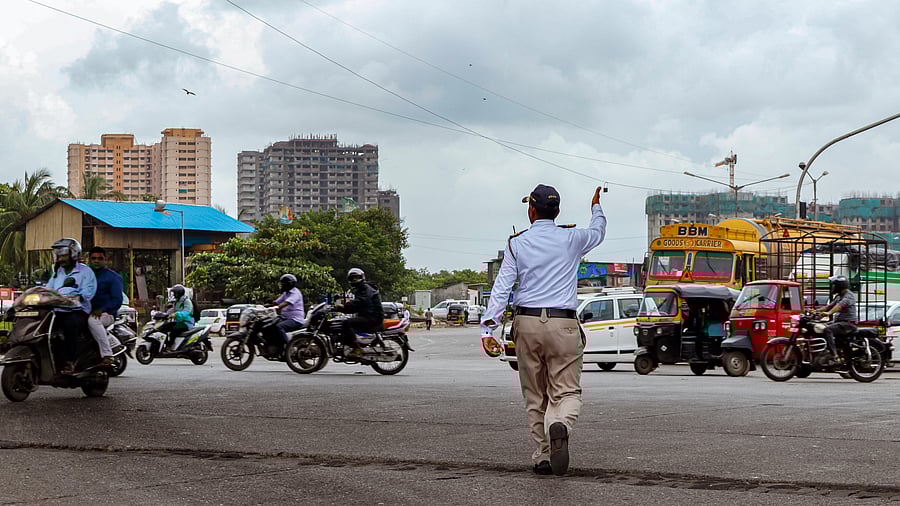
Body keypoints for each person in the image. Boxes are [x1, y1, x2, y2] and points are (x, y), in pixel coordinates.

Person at [481, 184, 606, 476]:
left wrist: (488, 329)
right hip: (563, 324)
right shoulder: (573, 238)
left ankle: (543, 455)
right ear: (558, 211)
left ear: (531, 211)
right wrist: (596, 207)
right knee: (567, 391)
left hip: (526, 324)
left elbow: (502, 288)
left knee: (535, 395)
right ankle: (560, 424)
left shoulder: (517, 243)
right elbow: (598, 231)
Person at [45, 238, 97, 374]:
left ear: (73, 254)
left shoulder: (86, 272)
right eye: (58, 255)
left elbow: (88, 292)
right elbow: (48, 289)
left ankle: (69, 362)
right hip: (57, 310)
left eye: (63, 254)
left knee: (69, 325)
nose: (60, 258)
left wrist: (76, 297)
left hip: (77, 311)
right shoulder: (58, 273)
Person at [85, 246, 123, 367]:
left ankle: (107, 354)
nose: (96, 261)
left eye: (99, 258)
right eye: (93, 258)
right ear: (89, 260)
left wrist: (102, 309)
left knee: (93, 321)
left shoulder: (113, 277)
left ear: (105, 260)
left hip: (107, 314)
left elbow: (117, 300)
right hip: (85, 312)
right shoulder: (84, 276)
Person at [335, 268, 384, 355]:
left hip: (373, 317)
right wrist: (341, 308)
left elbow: (360, 302)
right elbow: (356, 307)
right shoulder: (360, 289)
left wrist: (344, 306)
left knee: (346, 323)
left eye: (356, 278)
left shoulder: (366, 289)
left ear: (362, 277)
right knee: (343, 322)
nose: (355, 280)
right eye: (352, 278)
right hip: (369, 315)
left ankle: (356, 348)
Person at [819, 275, 856, 361]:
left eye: (834, 285)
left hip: (848, 323)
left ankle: (834, 354)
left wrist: (829, 313)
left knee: (828, 330)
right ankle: (824, 350)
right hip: (840, 322)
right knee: (821, 326)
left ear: (840, 285)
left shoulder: (848, 296)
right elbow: (829, 306)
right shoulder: (839, 296)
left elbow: (840, 305)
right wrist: (815, 311)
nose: (833, 287)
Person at [160, 284, 194, 349]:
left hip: (186, 323)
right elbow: (173, 310)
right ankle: (165, 344)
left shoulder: (187, 301)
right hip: (178, 322)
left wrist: (176, 314)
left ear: (179, 293)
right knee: (164, 327)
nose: (174, 295)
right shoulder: (177, 302)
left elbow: (186, 312)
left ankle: (170, 347)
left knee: (173, 330)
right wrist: (165, 315)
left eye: (175, 293)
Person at [274, 274, 305, 343]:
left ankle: (286, 347)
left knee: (279, 327)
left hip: (295, 320)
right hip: (285, 318)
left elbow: (285, 303)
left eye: (283, 284)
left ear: (288, 284)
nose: (281, 285)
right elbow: (276, 302)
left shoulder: (295, 293)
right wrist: (261, 306)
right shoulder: (286, 293)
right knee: (270, 325)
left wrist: (278, 307)